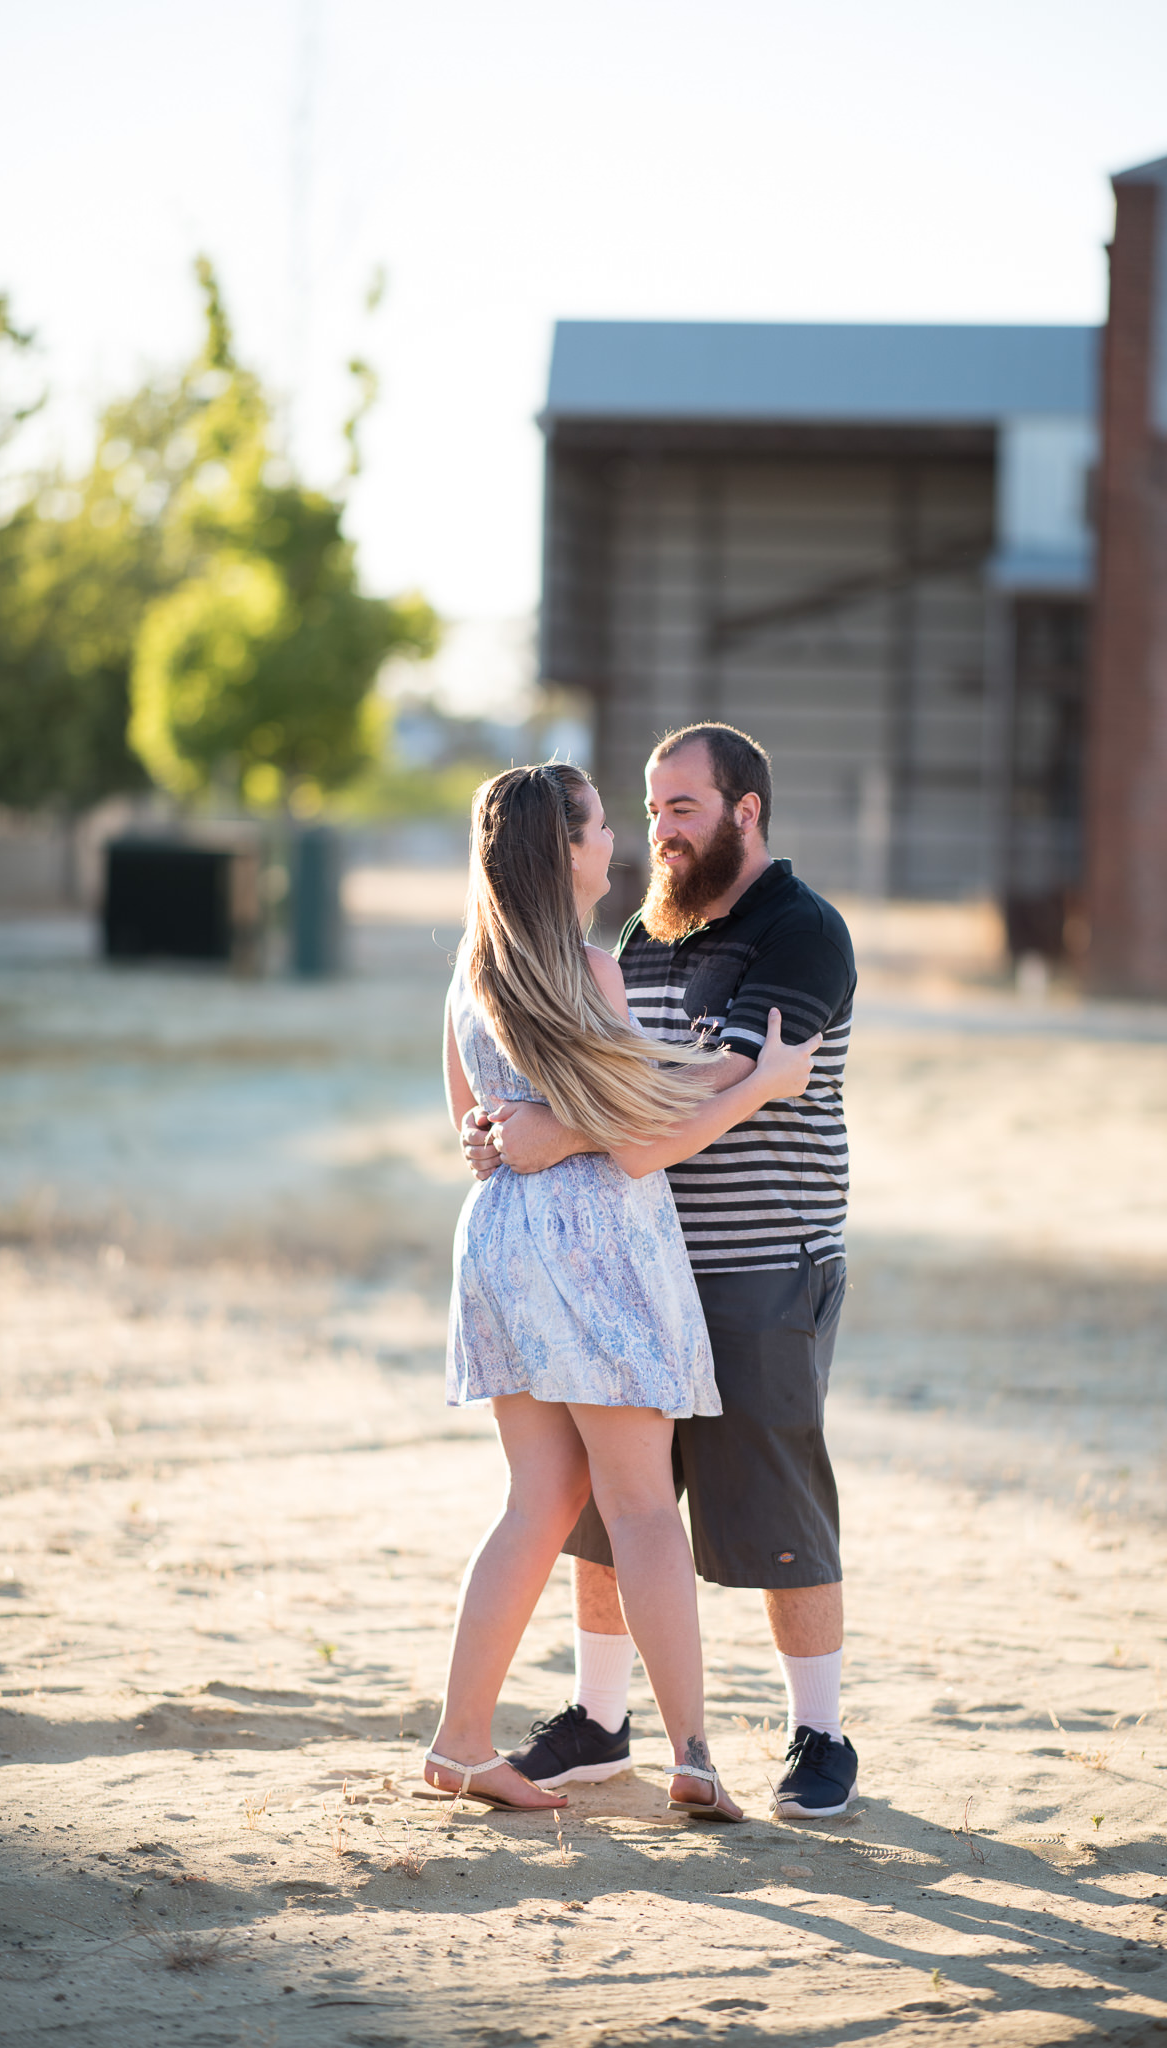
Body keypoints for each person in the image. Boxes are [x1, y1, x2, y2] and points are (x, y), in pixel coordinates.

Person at [462, 724, 859, 1820]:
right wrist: (507, 1131)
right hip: (635, 1260)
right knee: (607, 1504)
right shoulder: (640, 933)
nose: (659, 832)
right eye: (646, 810)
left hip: (759, 1261)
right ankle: (599, 1718)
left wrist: (557, 1132)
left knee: (776, 1501)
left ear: (745, 810)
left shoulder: (800, 933)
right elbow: (586, 1074)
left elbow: (697, 1090)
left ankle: (818, 1732)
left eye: (681, 808)